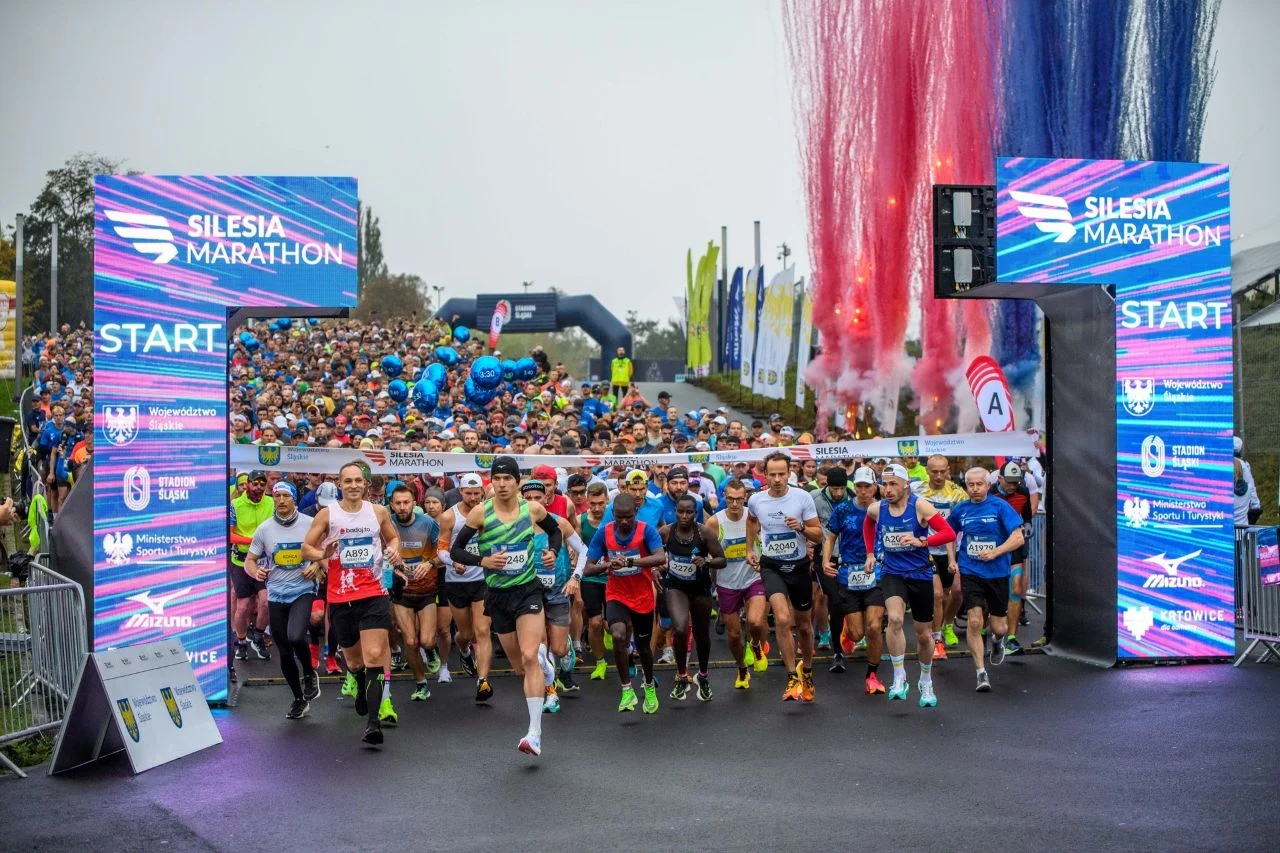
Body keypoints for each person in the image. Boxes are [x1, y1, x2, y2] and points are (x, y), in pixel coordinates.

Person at [449, 456, 565, 757]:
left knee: (528, 657)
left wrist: (552, 552)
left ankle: (534, 733)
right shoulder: (480, 514)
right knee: (518, 666)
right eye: (496, 479)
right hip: (498, 596)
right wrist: (483, 561)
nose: (502, 484)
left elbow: (555, 532)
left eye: (507, 479)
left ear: (517, 482)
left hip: (528, 592)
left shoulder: (533, 509)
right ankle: (545, 667)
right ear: (491, 481)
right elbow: (456, 550)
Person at [302, 462, 402, 746]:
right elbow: (305, 548)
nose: (354, 485)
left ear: (366, 484)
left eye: (359, 480)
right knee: (355, 661)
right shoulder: (327, 514)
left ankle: (373, 724)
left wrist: (393, 550)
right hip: (341, 596)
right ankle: (357, 683)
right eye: (349, 481)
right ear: (340, 484)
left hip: (373, 592)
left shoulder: (378, 511)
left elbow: (393, 537)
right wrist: (323, 552)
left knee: (373, 655)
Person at [861, 464, 955, 708]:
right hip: (893, 573)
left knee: (923, 635)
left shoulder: (920, 506)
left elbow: (949, 533)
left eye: (893, 484)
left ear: (906, 485)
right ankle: (899, 675)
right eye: (884, 484)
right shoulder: (877, 508)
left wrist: (922, 540)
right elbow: (868, 524)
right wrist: (870, 553)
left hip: (920, 574)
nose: (887, 489)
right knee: (894, 619)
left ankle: (925, 680)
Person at [746, 452, 823, 702]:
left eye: (782, 474)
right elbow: (751, 520)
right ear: (765, 475)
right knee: (781, 618)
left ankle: (807, 671)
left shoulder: (801, 498)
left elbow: (818, 535)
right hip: (772, 566)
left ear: (790, 473)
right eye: (773, 474)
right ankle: (791, 676)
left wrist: (800, 527)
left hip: (799, 566)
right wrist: (750, 549)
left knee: (803, 626)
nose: (777, 479)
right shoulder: (757, 500)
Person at [244, 482, 324, 719]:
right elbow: (250, 560)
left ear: (294, 499)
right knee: (284, 651)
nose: (280, 500)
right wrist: (255, 571)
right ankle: (299, 699)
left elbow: (325, 551)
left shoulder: (310, 524)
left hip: (303, 589)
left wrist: (316, 565)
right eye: (276, 496)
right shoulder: (264, 529)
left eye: (285, 496)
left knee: (296, 636)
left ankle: (309, 673)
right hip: (276, 593)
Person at [584, 493, 666, 714]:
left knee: (644, 648)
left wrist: (631, 561)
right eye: (619, 517)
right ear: (613, 514)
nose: (624, 522)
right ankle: (626, 689)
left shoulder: (645, 530)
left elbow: (660, 557)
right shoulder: (605, 532)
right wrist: (608, 565)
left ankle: (649, 686)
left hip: (642, 596)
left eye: (628, 517)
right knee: (618, 635)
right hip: (616, 594)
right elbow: (588, 568)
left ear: (635, 513)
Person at [948, 467, 1025, 691]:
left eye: (979, 484)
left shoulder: (1000, 506)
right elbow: (949, 534)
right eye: (970, 485)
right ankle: (981, 672)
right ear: (966, 487)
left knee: (999, 627)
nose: (974, 489)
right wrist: (952, 559)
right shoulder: (960, 509)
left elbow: (1018, 537)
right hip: (971, 570)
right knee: (974, 621)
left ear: (987, 485)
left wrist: (996, 552)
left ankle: (998, 641)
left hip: (998, 572)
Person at [521, 478, 589, 712]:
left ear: (546, 499)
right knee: (540, 649)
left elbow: (584, 551)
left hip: (559, 592)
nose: (532, 503)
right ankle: (551, 693)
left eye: (537, 498)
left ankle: (568, 647)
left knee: (558, 650)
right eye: (527, 499)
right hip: (531, 595)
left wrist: (575, 578)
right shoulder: (518, 526)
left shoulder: (559, 524)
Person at [822, 467, 887, 694]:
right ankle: (846, 634)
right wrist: (825, 560)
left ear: (875, 487)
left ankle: (872, 675)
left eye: (867, 486)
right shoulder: (843, 510)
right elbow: (830, 538)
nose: (862, 491)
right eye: (858, 486)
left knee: (874, 626)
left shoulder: (883, 509)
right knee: (857, 633)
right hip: (849, 574)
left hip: (876, 573)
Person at [660, 495, 726, 702]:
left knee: (701, 634)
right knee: (679, 628)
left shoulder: (704, 533)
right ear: (675, 511)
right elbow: (652, 555)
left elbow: (722, 560)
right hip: (675, 587)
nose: (684, 516)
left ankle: (703, 675)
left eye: (689, 512)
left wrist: (706, 561)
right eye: (680, 511)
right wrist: (657, 567)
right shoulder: (665, 532)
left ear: (695, 513)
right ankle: (681, 675)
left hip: (700, 588)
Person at [707, 479, 770, 688]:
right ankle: (742, 668)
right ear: (724, 497)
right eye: (730, 499)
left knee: (756, 622)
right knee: (733, 635)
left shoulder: (754, 518)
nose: (734, 504)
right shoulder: (715, 522)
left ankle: (755, 644)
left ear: (745, 498)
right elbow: (709, 553)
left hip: (753, 578)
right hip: (727, 583)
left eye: (739, 499)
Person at [436, 473, 492, 693]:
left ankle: (483, 680)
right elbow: (440, 550)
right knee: (466, 634)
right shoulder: (449, 516)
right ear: (460, 492)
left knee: (483, 630)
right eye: (468, 493)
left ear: (482, 492)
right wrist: (452, 562)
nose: (472, 497)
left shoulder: (489, 512)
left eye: (477, 493)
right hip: (456, 581)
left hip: (481, 579)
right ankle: (465, 652)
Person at [387, 483, 443, 702]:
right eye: (398, 503)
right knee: (410, 641)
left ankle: (431, 651)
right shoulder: (388, 524)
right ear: (391, 505)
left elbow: (444, 554)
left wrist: (429, 564)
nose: (402, 507)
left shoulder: (428, 523)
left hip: (426, 589)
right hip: (401, 590)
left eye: (406, 502)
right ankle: (421, 683)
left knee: (427, 640)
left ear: (414, 504)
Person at [920, 455, 967, 659]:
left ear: (948, 470)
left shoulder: (957, 493)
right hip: (927, 549)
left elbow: (961, 521)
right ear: (927, 471)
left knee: (954, 593)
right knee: (937, 595)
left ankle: (947, 624)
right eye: (934, 471)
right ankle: (937, 639)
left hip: (951, 548)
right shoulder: (916, 490)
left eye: (942, 471)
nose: (938, 476)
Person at [230, 471, 274, 664]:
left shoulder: (271, 502)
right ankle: (240, 641)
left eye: (262, 485)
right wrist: (254, 541)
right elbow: (229, 535)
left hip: (264, 562)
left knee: (265, 601)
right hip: (241, 560)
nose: (258, 488)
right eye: (254, 484)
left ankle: (258, 635)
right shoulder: (235, 505)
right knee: (243, 605)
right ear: (246, 484)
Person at [992, 461, 1034, 656]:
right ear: (1000, 479)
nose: (1013, 486)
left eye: (1016, 482)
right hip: (992, 546)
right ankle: (986, 631)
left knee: (1016, 588)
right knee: (990, 590)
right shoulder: (990, 491)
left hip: (1014, 543)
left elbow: (1026, 515)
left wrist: (1027, 524)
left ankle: (1011, 639)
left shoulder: (1023, 492)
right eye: (1009, 482)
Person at [578, 482, 613, 680]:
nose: (597, 508)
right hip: (590, 576)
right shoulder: (580, 520)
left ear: (607, 500)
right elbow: (576, 548)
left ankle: (620, 648)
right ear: (587, 501)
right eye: (593, 504)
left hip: (611, 577)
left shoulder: (614, 518)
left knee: (612, 624)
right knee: (594, 623)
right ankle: (600, 662)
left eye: (601, 503)